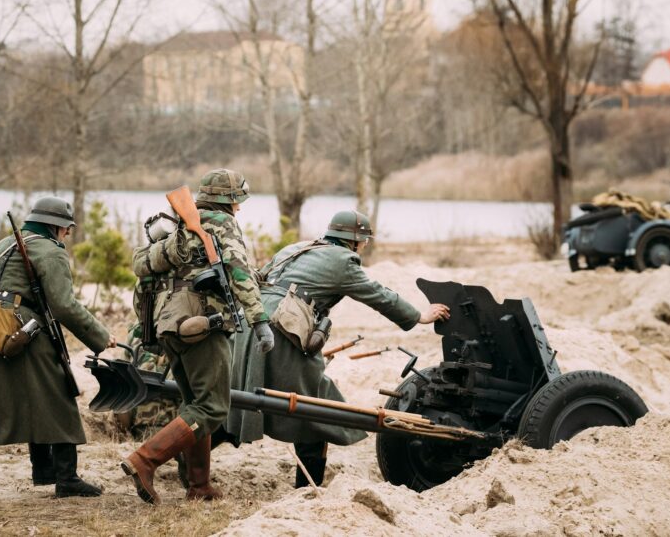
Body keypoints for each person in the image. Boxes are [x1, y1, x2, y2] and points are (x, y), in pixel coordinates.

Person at [225, 210, 450, 488]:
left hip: (251, 325)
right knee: (314, 407)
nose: (364, 245)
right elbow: (378, 294)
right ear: (353, 240)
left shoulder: (296, 248)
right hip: (282, 331)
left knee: (238, 398)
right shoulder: (343, 260)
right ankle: (307, 490)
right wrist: (419, 316)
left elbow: (259, 278)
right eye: (363, 240)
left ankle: (192, 465)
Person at [0, 196, 117, 498]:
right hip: (21, 333)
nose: (68, 234)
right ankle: (67, 479)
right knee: (58, 396)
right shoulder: (51, 252)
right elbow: (64, 305)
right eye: (67, 228)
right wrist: (100, 336)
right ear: (55, 227)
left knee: (38, 399)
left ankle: (44, 469)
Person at [122, 168, 273, 505]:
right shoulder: (221, 222)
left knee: (194, 404)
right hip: (202, 324)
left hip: (167, 325)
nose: (239, 208)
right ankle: (144, 461)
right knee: (213, 406)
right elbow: (238, 269)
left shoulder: (178, 223)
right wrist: (259, 320)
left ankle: (199, 485)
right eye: (238, 201)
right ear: (229, 199)